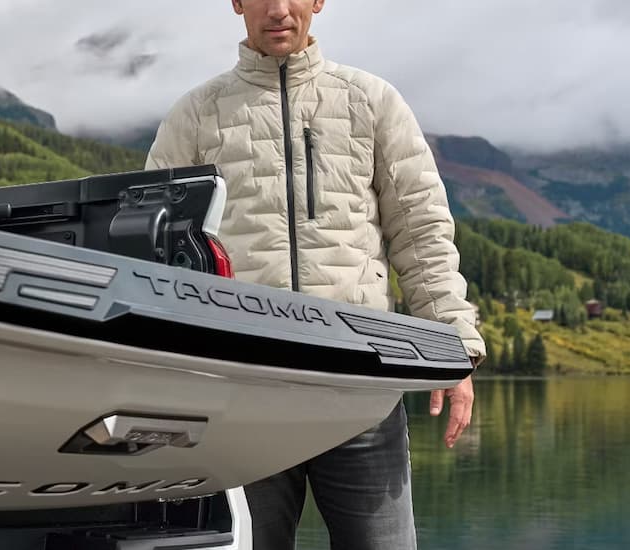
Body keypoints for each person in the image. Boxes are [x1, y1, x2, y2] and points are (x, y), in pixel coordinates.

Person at [144, 1, 487, 548]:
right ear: (236, 3)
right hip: (241, 395)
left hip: (361, 390)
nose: (279, 10)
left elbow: (420, 230)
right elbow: (156, 251)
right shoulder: (196, 114)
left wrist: (455, 343)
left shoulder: (370, 101)